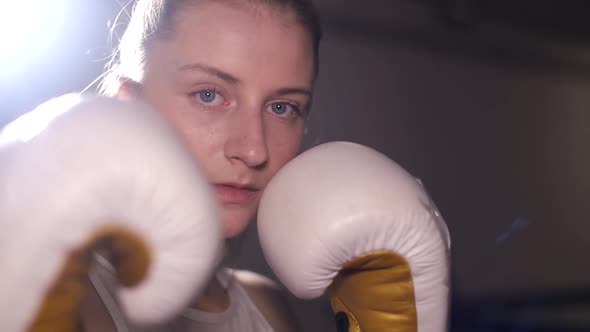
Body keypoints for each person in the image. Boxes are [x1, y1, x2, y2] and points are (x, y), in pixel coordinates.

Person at [80, 0, 322, 331]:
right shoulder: (44, 293)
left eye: (282, 107)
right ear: (129, 106)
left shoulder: (267, 308)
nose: (253, 150)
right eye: (208, 95)